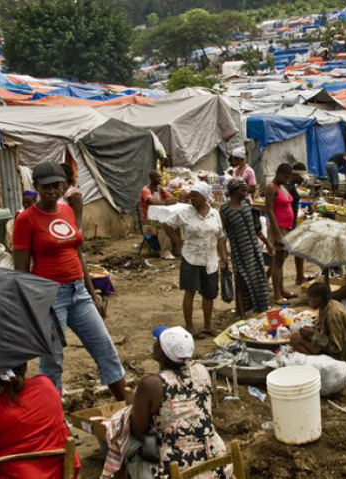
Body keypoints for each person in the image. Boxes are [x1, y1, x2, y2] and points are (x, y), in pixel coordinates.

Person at [13, 161, 127, 400]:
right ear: (36, 187)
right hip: (50, 297)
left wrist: (92, 292)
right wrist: (29, 305)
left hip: (79, 292)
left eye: (57, 186)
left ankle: (126, 403)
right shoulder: (26, 219)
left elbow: (78, 253)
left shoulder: (67, 211)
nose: (52, 191)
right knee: (52, 361)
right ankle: (54, 418)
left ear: (64, 186)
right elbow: (21, 269)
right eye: (46, 187)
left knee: (105, 348)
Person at [124, 326, 230, 479]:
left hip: (177, 470)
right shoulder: (201, 370)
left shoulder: (151, 384)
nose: (154, 344)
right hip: (217, 463)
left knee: (128, 441)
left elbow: (138, 430)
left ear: (162, 352)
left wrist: (132, 405)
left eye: (158, 342)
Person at [161, 182, 228, 338]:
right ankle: (190, 327)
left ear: (204, 198)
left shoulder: (215, 214)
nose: (191, 199)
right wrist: (177, 240)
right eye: (190, 196)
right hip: (191, 257)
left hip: (210, 259)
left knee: (209, 294)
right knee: (190, 292)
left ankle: (207, 325)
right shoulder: (186, 212)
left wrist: (224, 257)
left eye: (195, 196)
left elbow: (220, 237)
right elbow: (166, 224)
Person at [290, 282, 346, 381]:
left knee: (296, 339)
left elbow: (336, 347)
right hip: (334, 347)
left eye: (310, 298)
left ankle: (317, 372)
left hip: (343, 358)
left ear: (318, 298)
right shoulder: (327, 305)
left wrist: (312, 334)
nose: (308, 301)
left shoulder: (333, 314)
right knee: (297, 339)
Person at [220, 177, 271, 317]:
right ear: (234, 191)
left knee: (258, 279)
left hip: (254, 251)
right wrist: (223, 257)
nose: (246, 192)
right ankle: (241, 313)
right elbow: (222, 236)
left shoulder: (248, 205)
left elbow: (256, 229)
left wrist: (267, 243)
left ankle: (260, 309)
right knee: (241, 282)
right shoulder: (225, 210)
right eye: (243, 190)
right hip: (239, 253)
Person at [265, 164, 296, 302]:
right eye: (285, 177)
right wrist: (277, 233)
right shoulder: (271, 187)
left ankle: (282, 290)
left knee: (281, 261)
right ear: (277, 173)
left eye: (288, 178)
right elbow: (270, 210)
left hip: (286, 228)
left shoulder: (283, 186)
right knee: (277, 262)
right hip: (278, 228)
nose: (287, 180)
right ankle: (277, 295)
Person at [139, 170, 178, 259]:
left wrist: (171, 200)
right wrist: (165, 202)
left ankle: (177, 248)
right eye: (158, 177)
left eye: (161, 177)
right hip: (149, 219)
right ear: (152, 179)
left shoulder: (160, 189)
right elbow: (151, 201)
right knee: (165, 225)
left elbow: (173, 198)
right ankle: (165, 251)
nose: (161, 179)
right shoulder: (146, 190)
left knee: (177, 222)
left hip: (160, 216)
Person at [288, 163, 312, 285]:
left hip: (291, 222)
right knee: (279, 257)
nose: (303, 180)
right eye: (301, 177)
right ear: (295, 174)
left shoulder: (291, 185)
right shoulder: (288, 186)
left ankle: (300, 276)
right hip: (287, 223)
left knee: (298, 249)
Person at [59, 163, 83, 228]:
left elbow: (78, 218)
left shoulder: (74, 195)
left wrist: (74, 233)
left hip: (71, 231)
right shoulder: (60, 193)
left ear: (66, 178)